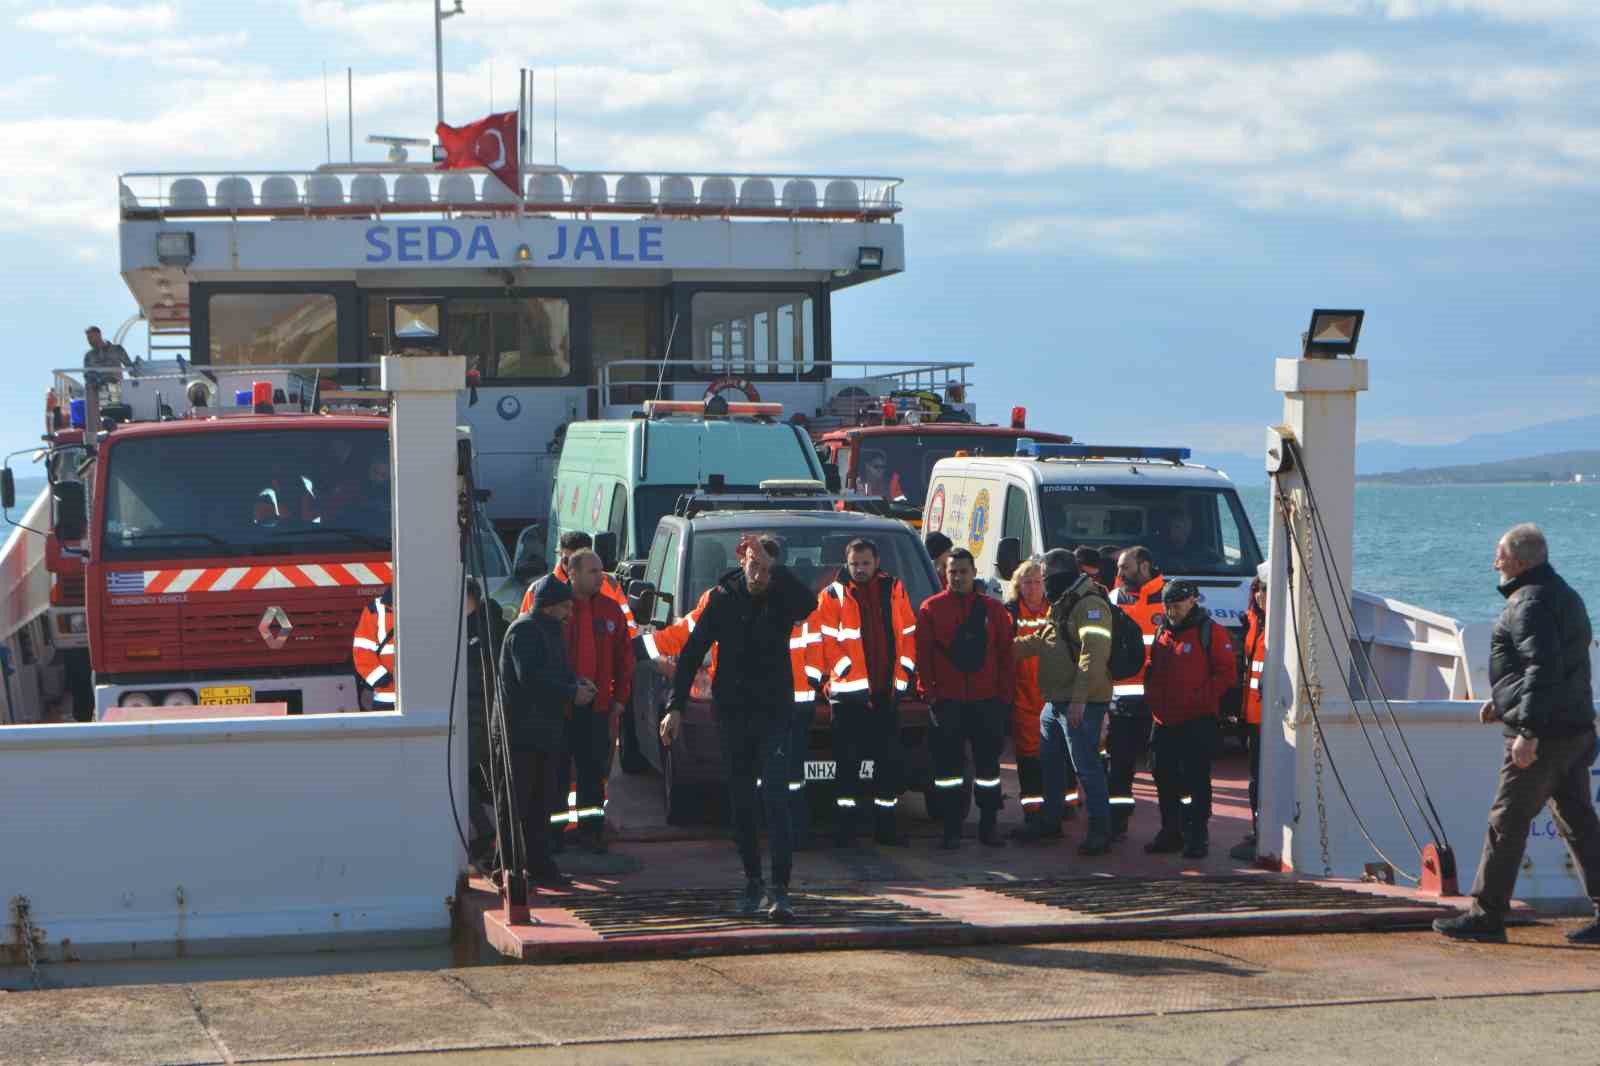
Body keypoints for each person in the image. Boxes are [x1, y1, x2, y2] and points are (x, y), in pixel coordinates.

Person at [1435, 524, 1600, 945]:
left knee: (1505, 822)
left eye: (1501, 555)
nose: (1495, 562)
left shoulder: (1528, 603)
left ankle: (1486, 915)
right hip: (1574, 730)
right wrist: (1505, 703)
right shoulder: (1565, 595)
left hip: (1542, 735)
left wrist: (1526, 729)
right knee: (1580, 823)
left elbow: (1540, 669)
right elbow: (1557, 670)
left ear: (1521, 562)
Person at [660, 533, 817, 921]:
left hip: (775, 713)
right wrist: (676, 706)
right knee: (742, 802)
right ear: (741, 559)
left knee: (776, 799)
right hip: (732, 714)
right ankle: (752, 882)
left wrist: (776, 570)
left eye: (766, 568)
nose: (759, 574)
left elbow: (807, 603)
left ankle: (780, 890)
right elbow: (692, 650)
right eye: (754, 565)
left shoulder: (782, 598)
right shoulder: (723, 599)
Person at [817, 538, 919, 848]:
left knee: (887, 765)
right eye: (854, 564)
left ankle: (885, 830)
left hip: (885, 695)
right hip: (848, 698)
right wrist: (847, 670)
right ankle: (845, 831)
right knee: (847, 766)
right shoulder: (832, 595)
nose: (860, 569)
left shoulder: (894, 589)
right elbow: (826, 641)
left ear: (876, 563)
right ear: (846, 565)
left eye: (865, 563)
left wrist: (904, 675)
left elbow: (908, 633)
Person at [1013, 548, 1115, 853]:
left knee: (1086, 766)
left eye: (1044, 577)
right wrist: (999, 647)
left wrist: (1079, 700)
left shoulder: (1089, 605)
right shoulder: (1062, 603)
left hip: (1078, 703)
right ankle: (1051, 819)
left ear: (1057, 575)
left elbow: (1093, 656)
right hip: (1055, 702)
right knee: (1051, 763)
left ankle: (1101, 830)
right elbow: (1042, 640)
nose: (1042, 583)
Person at [499, 577, 598, 887]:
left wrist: (577, 683)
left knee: (541, 802)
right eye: (566, 606)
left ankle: (538, 864)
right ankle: (510, 866)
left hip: (543, 731)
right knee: (518, 802)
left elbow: (555, 671)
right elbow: (529, 679)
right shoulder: (525, 630)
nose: (571, 612)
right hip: (520, 733)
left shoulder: (551, 631)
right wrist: (571, 692)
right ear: (551, 606)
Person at [915, 548, 1015, 849]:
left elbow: (1006, 656)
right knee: (948, 771)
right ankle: (951, 829)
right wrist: (930, 695)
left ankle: (988, 826)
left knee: (988, 770)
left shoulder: (994, 610)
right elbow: (923, 656)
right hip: (948, 701)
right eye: (952, 572)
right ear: (944, 574)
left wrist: (1003, 698)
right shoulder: (931, 609)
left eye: (963, 572)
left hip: (987, 702)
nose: (958, 577)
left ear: (974, 573)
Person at [535, 549, 632, 854]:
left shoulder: (611, 610)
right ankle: (555, 834)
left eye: (601, 570)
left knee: (593, 774)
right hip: (560, 708)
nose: (600, 576)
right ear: (572, 573)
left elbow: (624, 659)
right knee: (558, 773)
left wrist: (619, 701)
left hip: (597, 709)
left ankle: (591, 832)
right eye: (592, 571)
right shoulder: (555, 609)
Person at [1143, 578, 1236, 860]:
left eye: (1177, 604)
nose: (1172, 611)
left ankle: (1197, 834)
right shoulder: (1162, 632)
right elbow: (1153, 667)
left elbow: (1226, 675)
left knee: (1196, 779)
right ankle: (1171, 830)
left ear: (1193, 601)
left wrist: (1198, 700)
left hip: (1196, 721)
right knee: (1164, 776)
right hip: (1164, 721)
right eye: (1167, 605)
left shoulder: (1212, 633)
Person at [1005, 558, 1078, 837]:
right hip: (1023, 693)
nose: (1033, 587)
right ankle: (1033, 809)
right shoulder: (1010, 613)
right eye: (1027, 582)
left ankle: (1067, 802)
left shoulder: (1057, 610)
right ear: (1018, 585)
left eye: (1038, 581)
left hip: (1054, 691)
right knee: (1028, 755)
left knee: (1062, 751)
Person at [1106, 547, 1165, 841]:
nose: (1119, 574)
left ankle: (1178, 828)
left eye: (1125, 568)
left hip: (1160, 704)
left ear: (1144, 566)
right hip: (1120, 703)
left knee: (1166, 769)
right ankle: (1117, 824)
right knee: (1119, 767)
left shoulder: (1169, 599)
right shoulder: (1113, 599)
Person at [465, 577, 510, 867]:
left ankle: (487, 833)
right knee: (489, 779)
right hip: (488, 712)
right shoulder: (497, 623)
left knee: (461, 775)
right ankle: (498, 835)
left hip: (479, 713)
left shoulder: (478, 629)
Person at [520, 530, 637, 637]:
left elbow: (629, 629)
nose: (571, 568)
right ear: (560, 555)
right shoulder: (537, 590)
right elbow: (525, 633)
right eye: (567, 561)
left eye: (578, 562)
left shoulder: (609, 584)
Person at [1231, 571, 1268, 862]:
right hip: (1253, 716)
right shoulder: (1254, 622)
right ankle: (1260, 830)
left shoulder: (1274, 626)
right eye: (1257, 590)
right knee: (1256, 778)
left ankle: (1263, 834)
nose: (1260, 596)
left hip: (1269, 719)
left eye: (1266, 591)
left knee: (1263, 779)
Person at [351, 586, 397, 710]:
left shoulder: (427, 606)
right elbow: (362, 650)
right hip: (386, 697)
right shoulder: (375, 609)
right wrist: (379, 679)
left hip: (422, 697)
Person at [82, 325, 133, 391]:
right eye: (88, 339)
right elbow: (87, 375)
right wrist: (96, 381)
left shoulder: (116, 349)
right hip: (98, 390)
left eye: (91, 337)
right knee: (89, 386)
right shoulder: (89, 356)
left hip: (117, 387)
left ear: (99, 335)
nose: (90, 341)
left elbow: (130, 367)